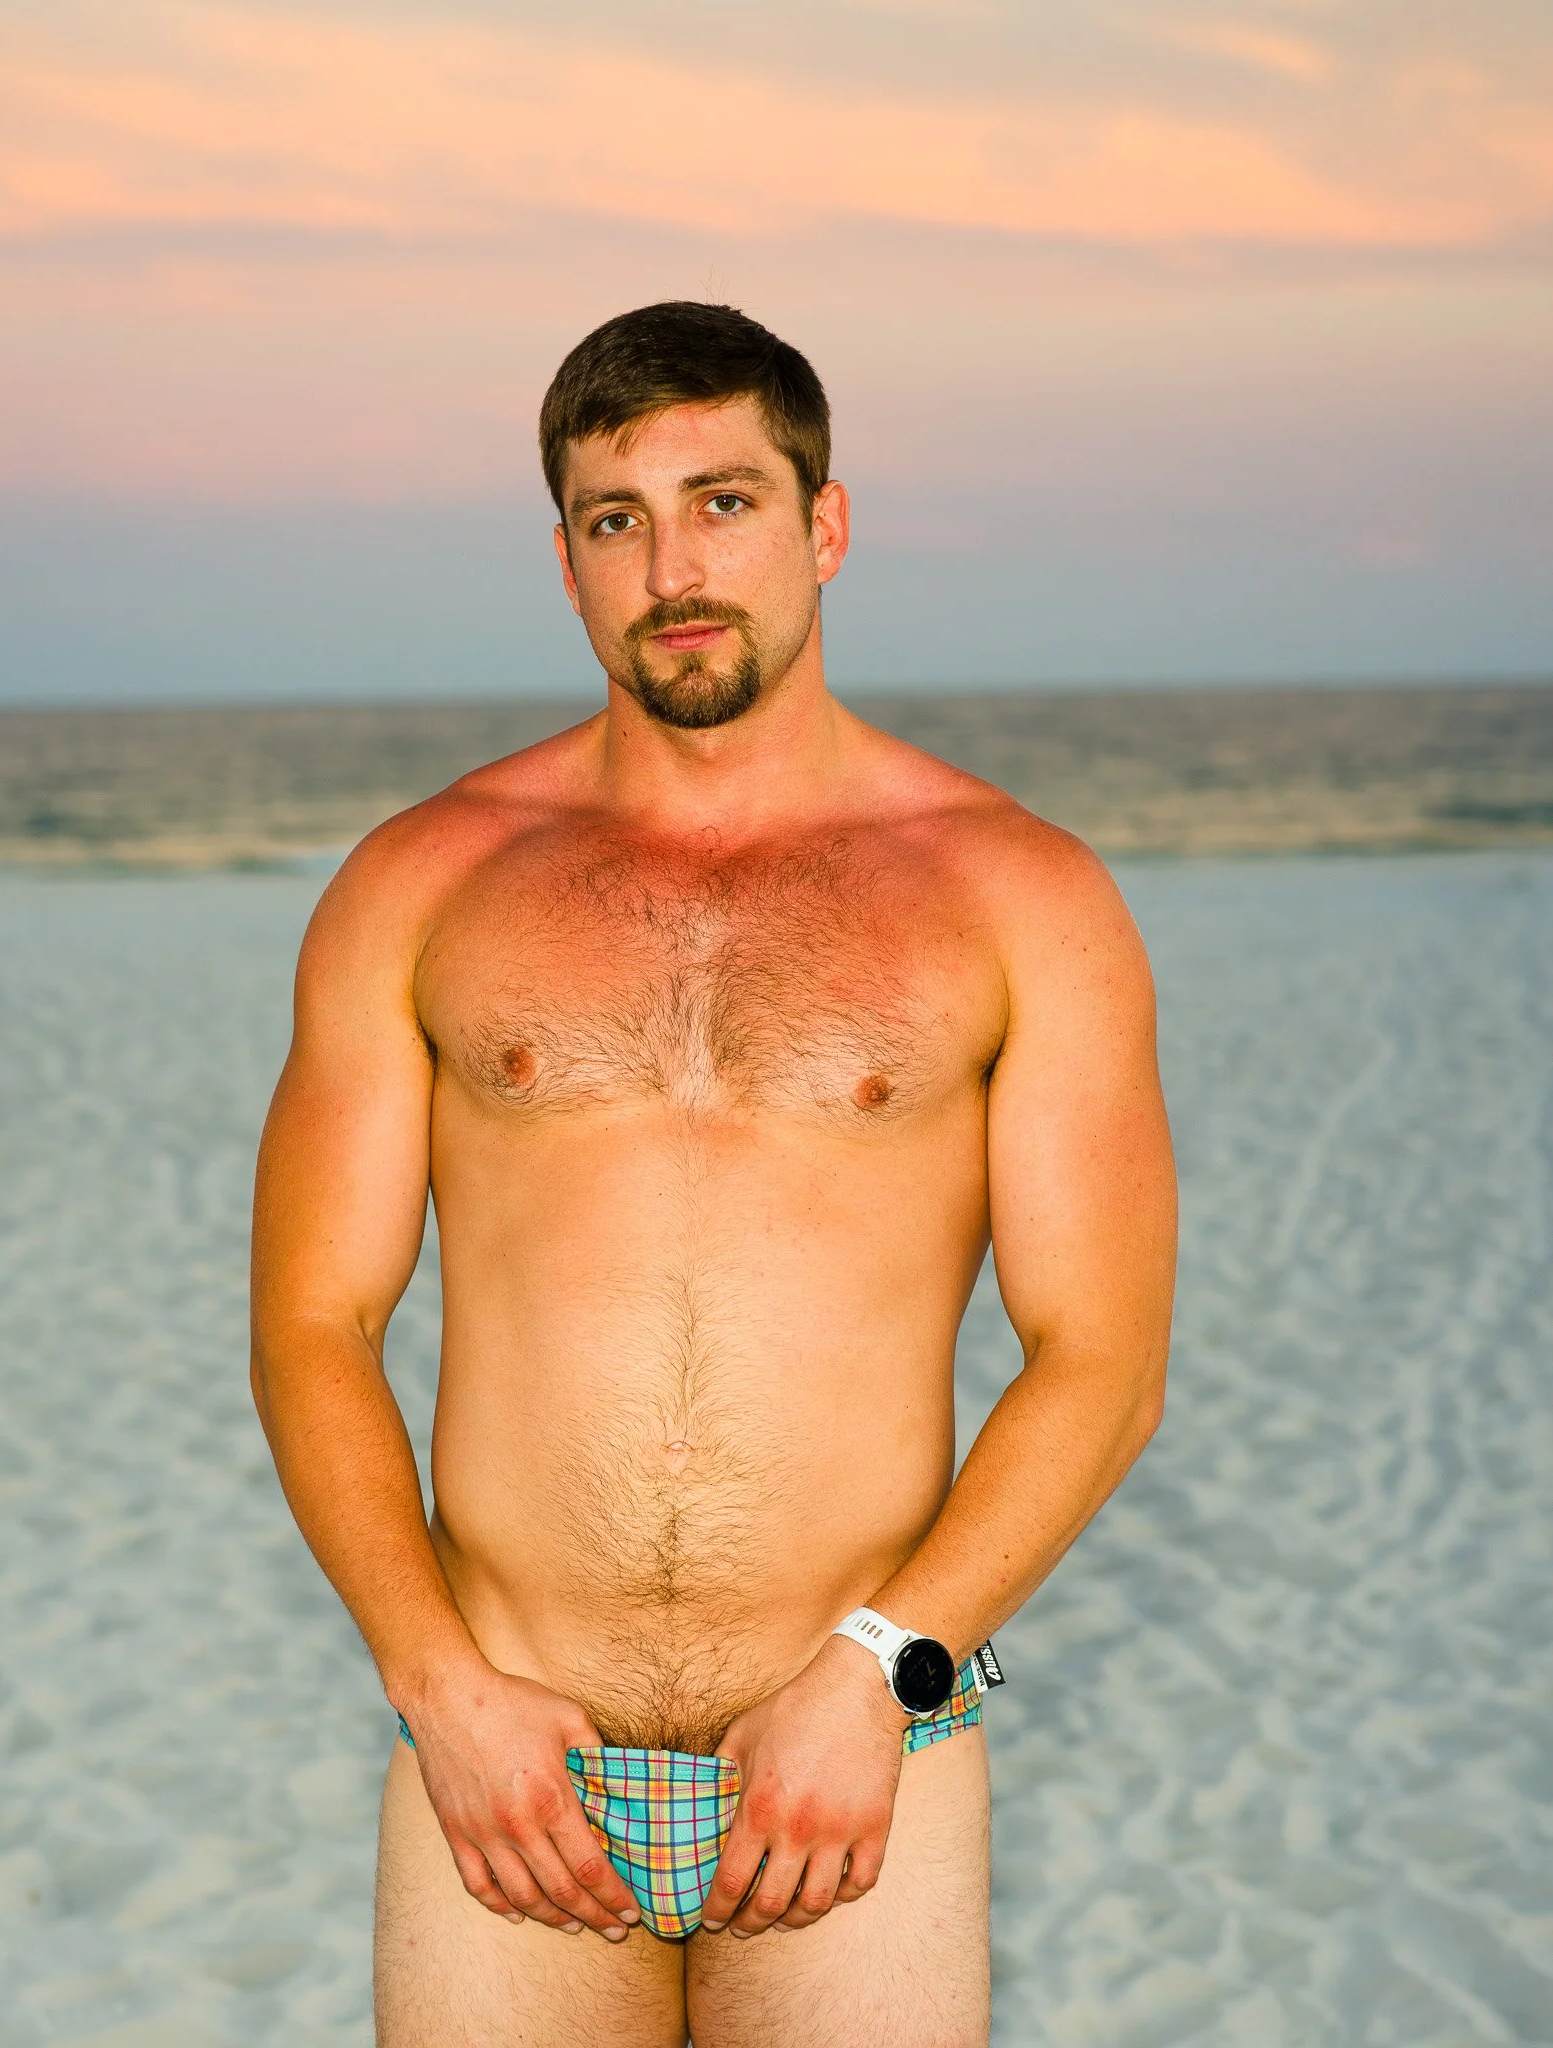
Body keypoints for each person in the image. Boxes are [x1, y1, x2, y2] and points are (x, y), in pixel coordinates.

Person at [250, 300, 1177, 2047]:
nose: (673, 565)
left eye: (725, 503)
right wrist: (439, 1688)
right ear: (566, 564)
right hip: (505, 1770)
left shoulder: (1021, 897)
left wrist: (880, 1678)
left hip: (855, 1758)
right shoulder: (420, 882)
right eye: (618, 519)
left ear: (824, 526)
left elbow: (1104, 1365)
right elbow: (314, 1318)